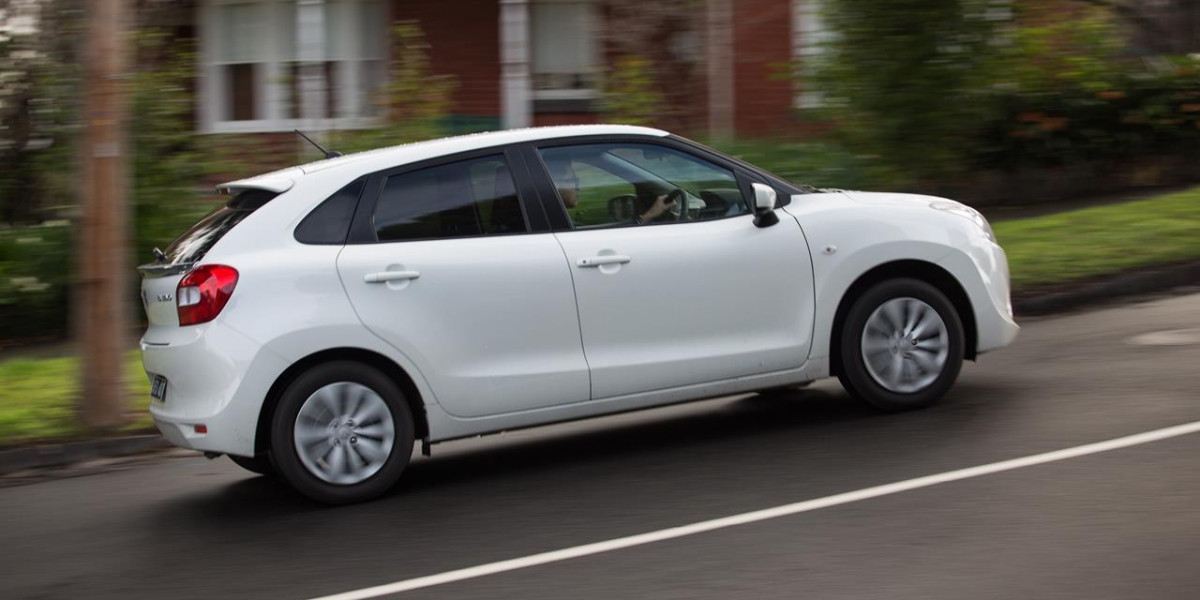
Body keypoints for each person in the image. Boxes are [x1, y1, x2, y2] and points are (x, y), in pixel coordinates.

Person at [547, 157, 676, 225]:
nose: (578, 187)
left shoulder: (551, 219)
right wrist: (650, 215)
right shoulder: (551, 223)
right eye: (573, 180)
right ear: (555, 184)